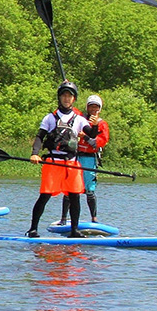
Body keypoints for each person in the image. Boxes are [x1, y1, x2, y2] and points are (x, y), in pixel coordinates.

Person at [27, 81, 99, 238]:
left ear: (74, 99)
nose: (66, 98)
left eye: (69, 96)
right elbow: (40, 137)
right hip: (53, 163)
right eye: (64, 95)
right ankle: (33, 229)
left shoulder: (79, 119)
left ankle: (74, 231)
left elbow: (92, 135)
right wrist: (35, 153)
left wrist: (94, 126)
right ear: (59, 98)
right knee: (45, 196)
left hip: (71, 163)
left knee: (74, 196)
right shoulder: (50, 118)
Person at [60, 94, 110, 224]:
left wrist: (86, 137)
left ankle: (94, 219)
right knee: (69, 188)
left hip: (89, 159)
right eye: (91, 107)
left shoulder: (102, 124)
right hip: (76, 157)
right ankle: (64, 218)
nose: (93, 110)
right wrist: (67, 89)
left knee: (89, 189)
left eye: (96, 108)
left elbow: (98, 142)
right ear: (87, 108)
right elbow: (68, 106)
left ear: (99, 109)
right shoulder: (79, 119)